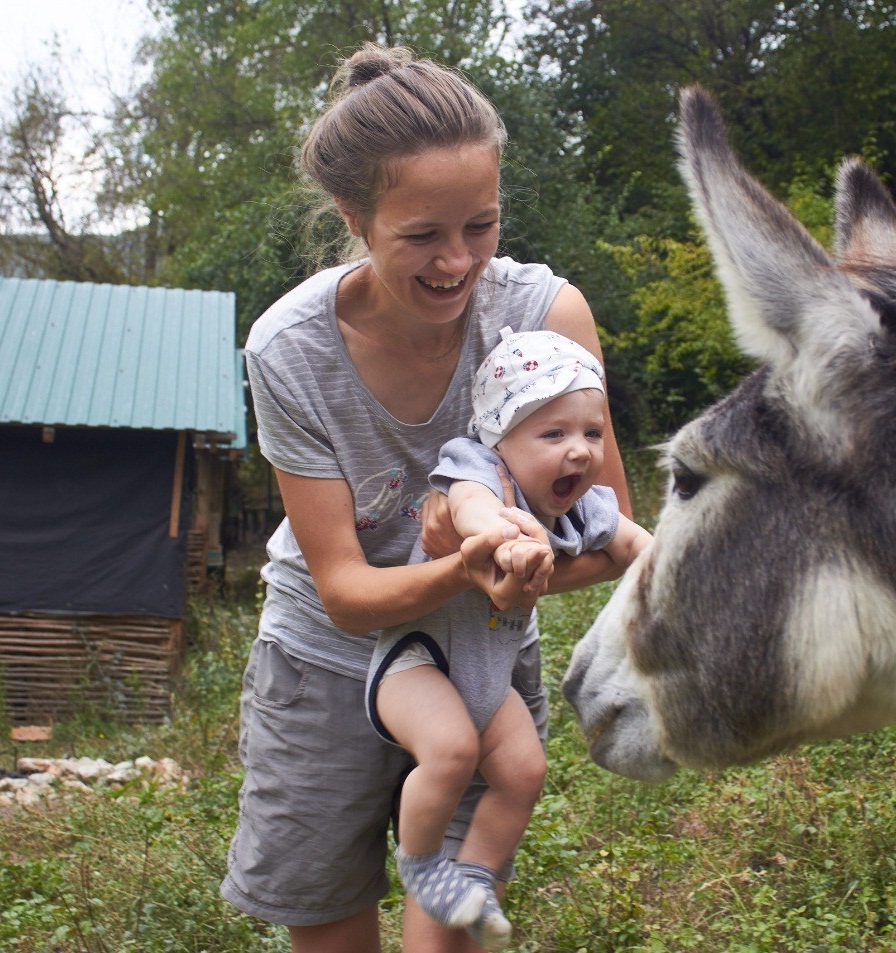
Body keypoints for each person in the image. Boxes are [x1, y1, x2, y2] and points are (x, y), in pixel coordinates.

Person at [220, 43, 635, 953]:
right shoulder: (287, 351)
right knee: (326, 915)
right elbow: (343, 589)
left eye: (480, 226)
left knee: (443, 929)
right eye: (422, 236)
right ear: (353, 215)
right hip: (327, 657)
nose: (459, 262)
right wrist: (470, 565)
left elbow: (605, 534)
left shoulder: (543, 317)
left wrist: (509, 574)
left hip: (481, 661)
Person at [367, 329, 652, 949]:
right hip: (418, 661)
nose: (579, 451)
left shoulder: (582, 506)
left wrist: (678, 573)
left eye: (592, 433)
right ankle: (421, 863)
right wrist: (504, 535)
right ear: (501, 435)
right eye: (554, 434)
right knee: (449, 752)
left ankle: (475, 871)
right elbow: (468, 508)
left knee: (524, 770)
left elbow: (634, 543)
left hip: (487, 677)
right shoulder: (479, 466)